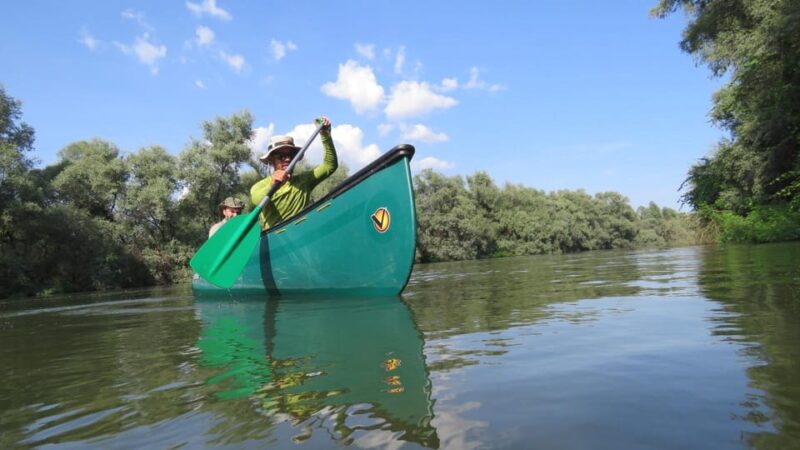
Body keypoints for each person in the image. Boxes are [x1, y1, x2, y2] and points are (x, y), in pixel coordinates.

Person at [250, 116, 338, 229]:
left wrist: (325, 135)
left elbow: (329, 166)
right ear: (271, 160)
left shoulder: (305, 180)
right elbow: (257, 200)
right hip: (277, 240)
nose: (287, 159)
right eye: (281, 156)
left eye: (291, 155)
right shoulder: (260, 186)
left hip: (302, 235)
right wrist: (273, 184)